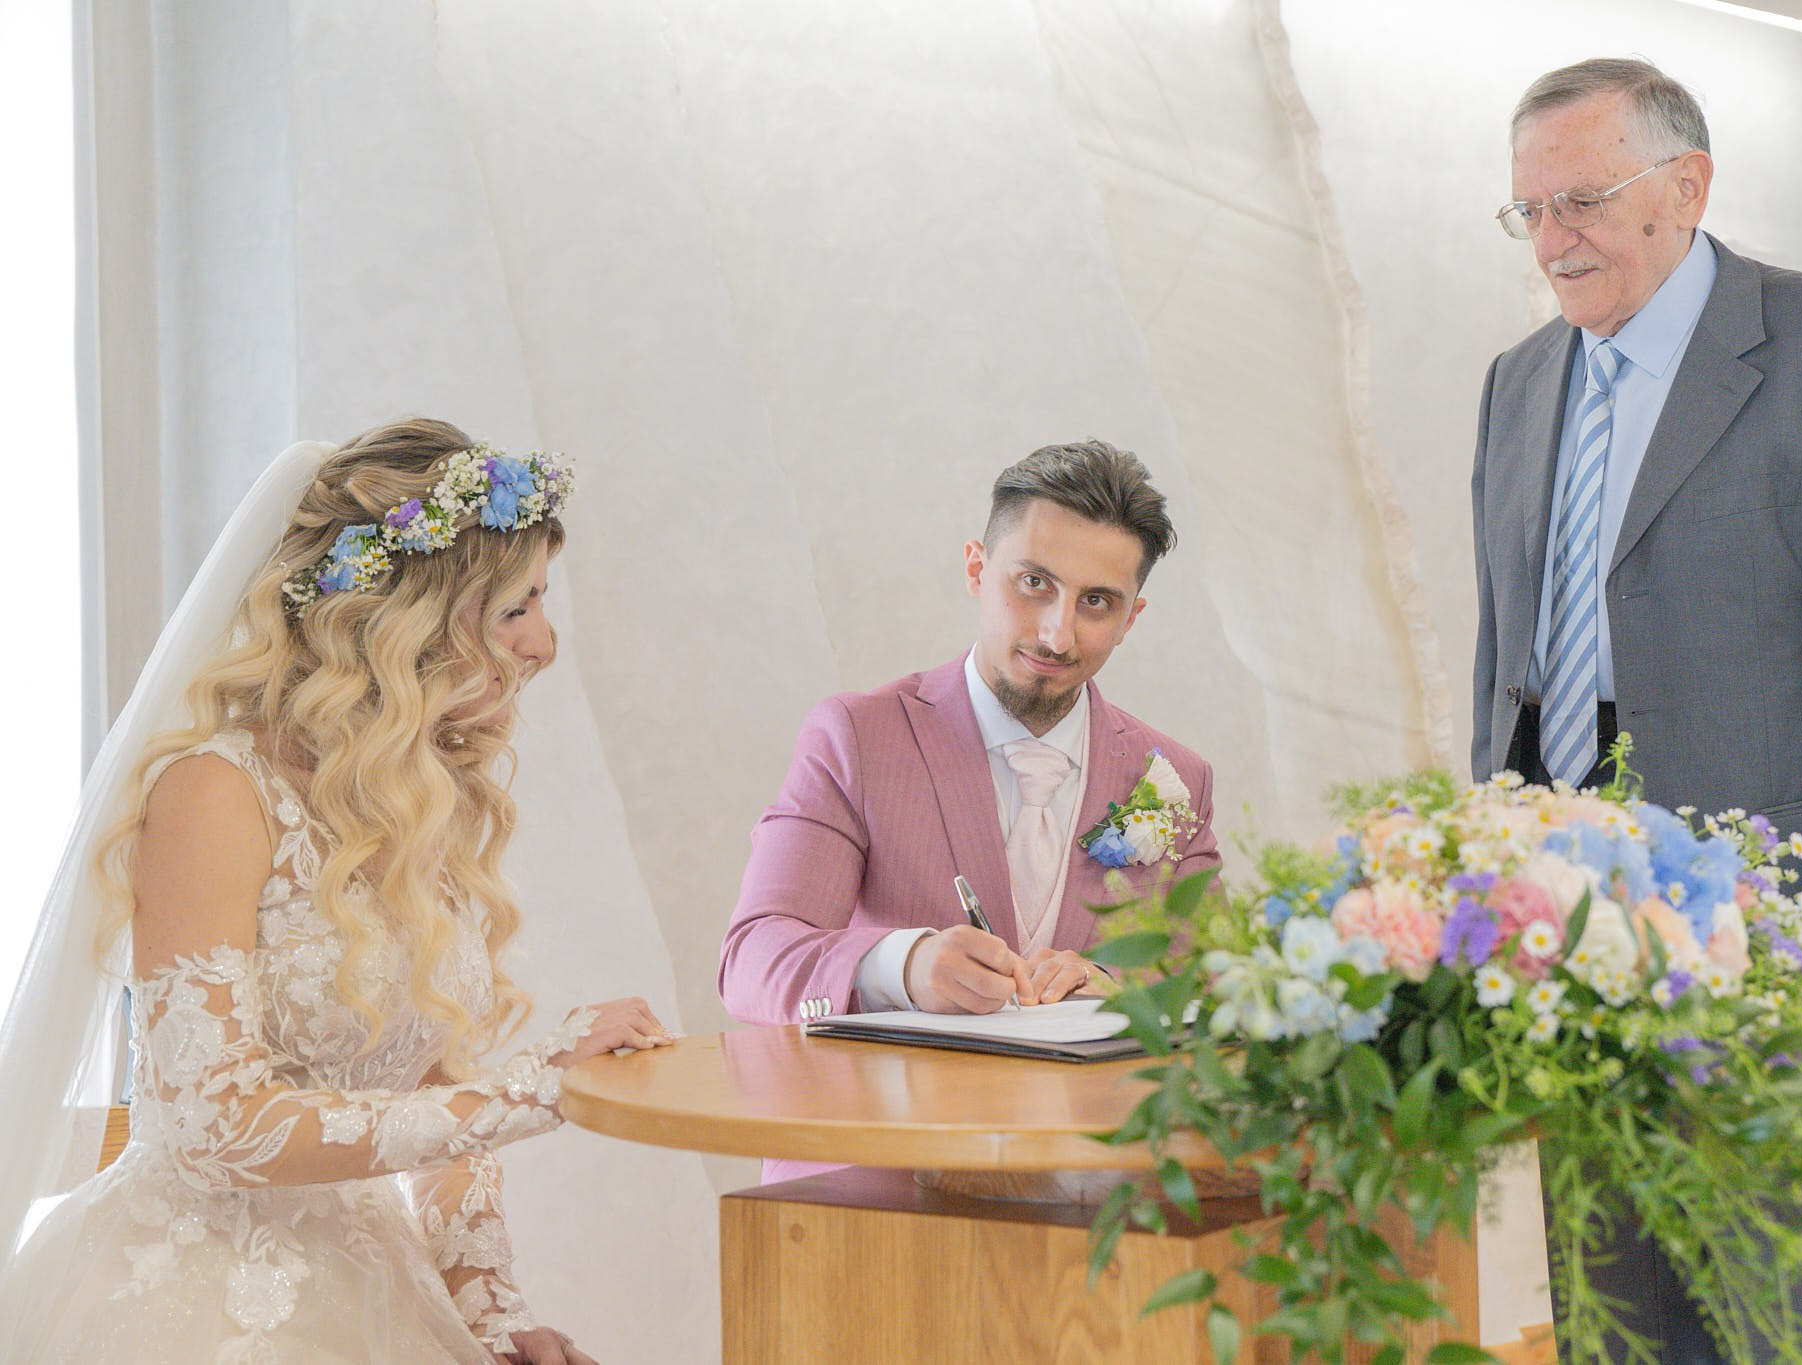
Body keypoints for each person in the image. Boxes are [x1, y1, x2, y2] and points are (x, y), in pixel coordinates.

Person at [1469, 58, 1802, 1360]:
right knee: (1610, 1325)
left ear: (1685, 188)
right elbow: (1506, 666)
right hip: (1567, 956)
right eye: (1530, 210)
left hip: (1769, 956)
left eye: (1580, 199)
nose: (1554, 239)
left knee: (1775, 1324)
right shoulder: (1520, 381)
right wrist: (1488, 896)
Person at [0, 420, 675, 1365]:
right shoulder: (214, 791)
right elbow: (216, 1124)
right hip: (190, 1313)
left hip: (381, 1296)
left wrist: (491, 1311)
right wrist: (535, 1086)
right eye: (517, 607)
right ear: (411, 615)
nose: (545, 642)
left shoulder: (415, 803)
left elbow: (437, 1092)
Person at [720, 439, 1221, 1032]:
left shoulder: (1175, 779)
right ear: (977, 570)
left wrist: (1112, 984)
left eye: (1095, 602)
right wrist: (902, 966)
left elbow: (1216, 982)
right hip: (905, 1123)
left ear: (1129, 620)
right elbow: (752, 960)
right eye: (1034, 582)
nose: (1057, 636)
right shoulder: (856, 738)